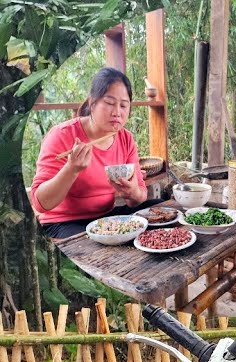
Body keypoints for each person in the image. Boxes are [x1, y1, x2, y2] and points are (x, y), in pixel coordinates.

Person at [29, 67, 150, 239]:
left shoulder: (125, 138)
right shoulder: (62, 135)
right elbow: (41, 203)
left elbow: (140, 196)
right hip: (64, 223)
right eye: (109, 103)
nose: (117, 112)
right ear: (92, 103)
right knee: (94, 247)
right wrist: (71, 169)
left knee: (157, 210)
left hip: (106, 219)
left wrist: (132, 193)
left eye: (124, 105)